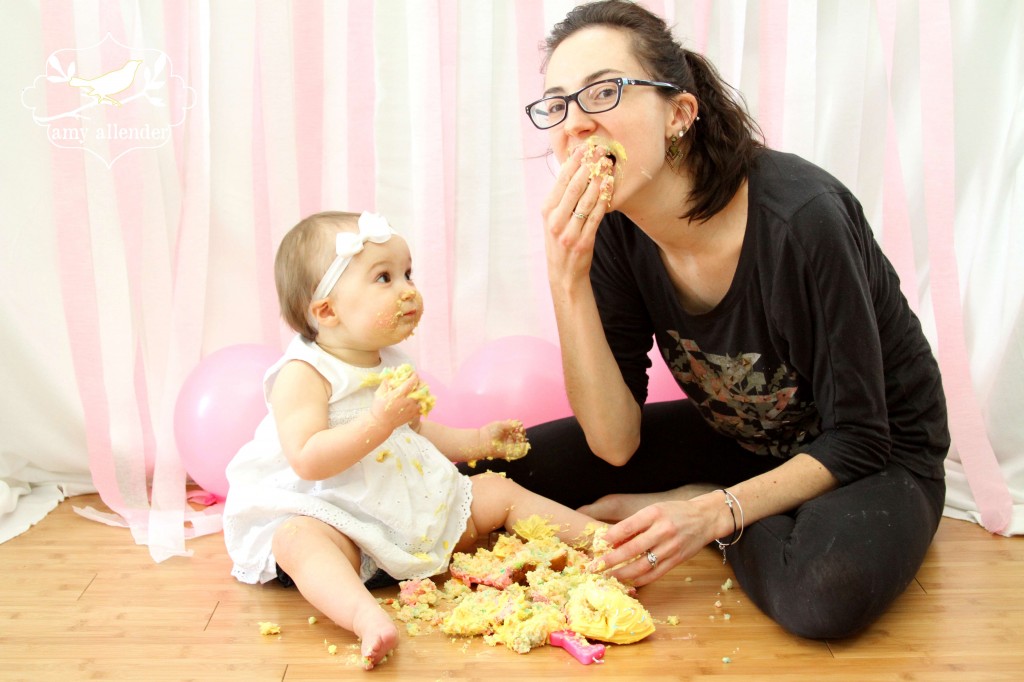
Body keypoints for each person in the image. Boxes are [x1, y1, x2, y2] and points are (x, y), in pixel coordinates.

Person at [482, 0, 949, 639]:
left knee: (822, 593)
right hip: (739, 436)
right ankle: (727, 497)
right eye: (558, 104)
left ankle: (717, 506)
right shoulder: (617, 228)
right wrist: (567, 277)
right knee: (497, 473)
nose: (576, 123)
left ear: (679, 113)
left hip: (876, 452)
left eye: (604, 92)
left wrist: (707, 514)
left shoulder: (801, 220)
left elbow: (861, 437)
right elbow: (614, 443)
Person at [222, 211, 600, 669]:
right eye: (384, 278)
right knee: (296, 539)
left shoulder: (390, 361)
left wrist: (479, 441)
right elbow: (307, 458)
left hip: (402, 510)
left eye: (407, 274)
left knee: (495, 490)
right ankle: (362, 614)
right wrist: (377, 422)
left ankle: (606, 542)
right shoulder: (304, 374)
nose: (407, 289)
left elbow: (415, 435)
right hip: (339, 518)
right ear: (327, 311)